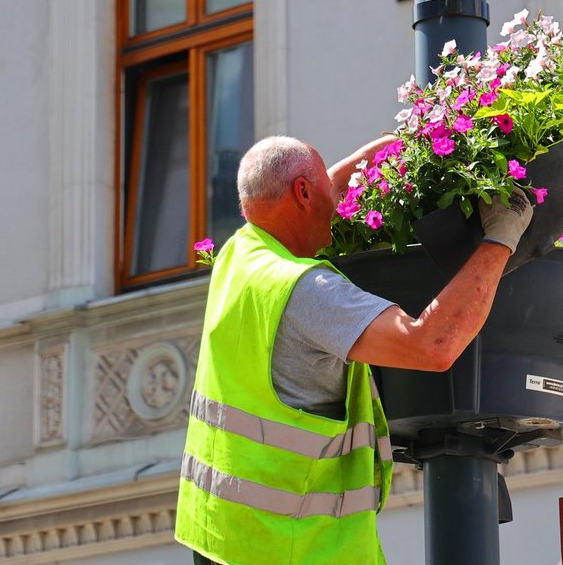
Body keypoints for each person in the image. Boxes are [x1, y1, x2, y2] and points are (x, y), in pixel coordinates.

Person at [175, 135, 533, 565]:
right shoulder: (309, 292)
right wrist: (503, 235)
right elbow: (433, 345)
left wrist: (412, 140)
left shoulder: (240, 255)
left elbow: (328, 182)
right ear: (302, 193)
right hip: (293, 548)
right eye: (322, 189)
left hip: (222, 536)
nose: (336, 197)